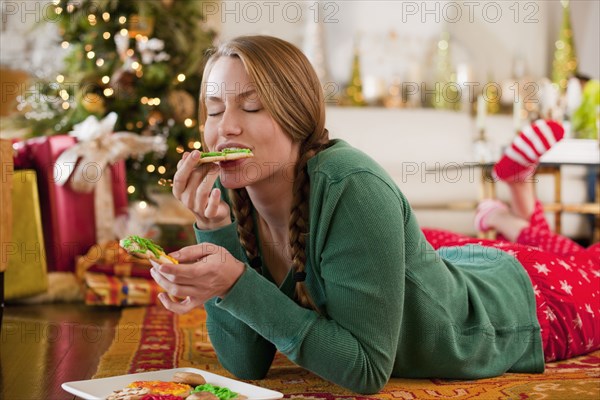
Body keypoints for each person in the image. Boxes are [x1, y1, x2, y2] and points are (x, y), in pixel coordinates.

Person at [150, 35, 599, 394]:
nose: (224, 126)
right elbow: (245, 363)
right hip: (456, 268)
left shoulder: (353, 187)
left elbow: (365, 370)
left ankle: (517, 202)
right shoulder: (233, 189)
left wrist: (233, 281)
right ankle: (513, 216)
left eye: (250, 107)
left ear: (296, 116)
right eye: (213, 109)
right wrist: (215, 234)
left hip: (530, 306)